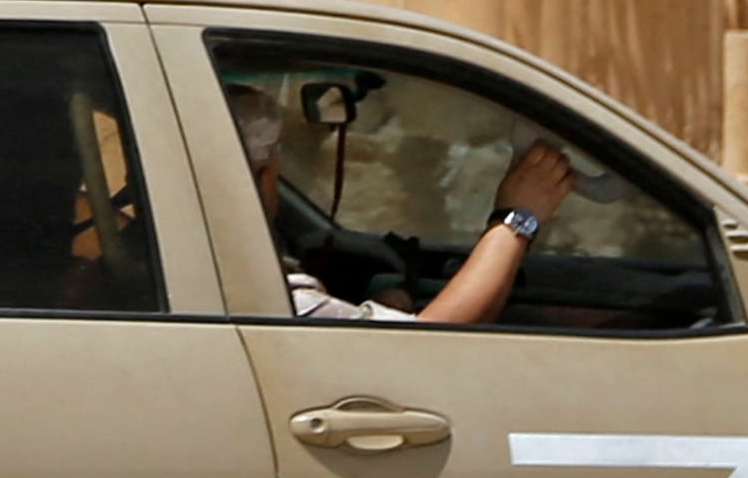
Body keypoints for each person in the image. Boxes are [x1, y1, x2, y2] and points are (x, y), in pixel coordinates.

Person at [233, 81, 562, 327]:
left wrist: (388, 302)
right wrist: (518, 216)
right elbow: (426, 346)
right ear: (262, 177)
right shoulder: (256, 292)